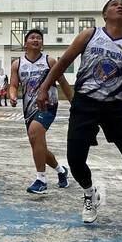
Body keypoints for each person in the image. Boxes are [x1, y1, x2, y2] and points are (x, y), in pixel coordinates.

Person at [36, 0, 122, 237]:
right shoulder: (90, 34)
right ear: (105, 14)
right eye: (114, 4)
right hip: (85, 103)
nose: (120, 6)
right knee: (75, 159)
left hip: (116, 107)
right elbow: (63, 62)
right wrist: (44, 87)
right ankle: (89, 193)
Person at [9, 28, 72, 194]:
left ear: (42, 44)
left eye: (39, 38)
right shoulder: (17, 64)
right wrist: (13, 96)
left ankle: (41, 180)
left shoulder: (49, 61)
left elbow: (64, 82)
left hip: (47, 105)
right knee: (38, 144)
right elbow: (14, 85)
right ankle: (61, 171)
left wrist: (75, 103)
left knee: (35, 133)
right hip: (28, 108)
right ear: (25, 43)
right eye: (32, 38)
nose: (36, 40)